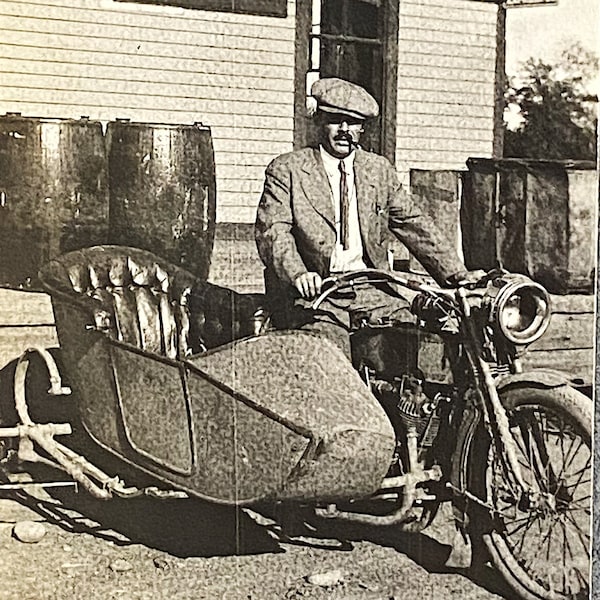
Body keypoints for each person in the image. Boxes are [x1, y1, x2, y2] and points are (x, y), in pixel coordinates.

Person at [255, 77, 480, 358]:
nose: (344, 130)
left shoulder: (378, 171)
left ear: (362, 128)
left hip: (370, 290)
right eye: (335, 120)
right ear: (319, 121)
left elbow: (415, 225)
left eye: (353, 122)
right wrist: (298, 273)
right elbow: (273, 232)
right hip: (314, 295)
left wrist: (457, 275)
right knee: (331, 360)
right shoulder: (287, 169)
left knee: (415, 347)